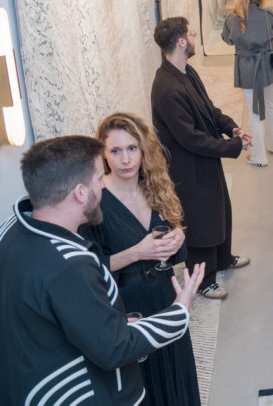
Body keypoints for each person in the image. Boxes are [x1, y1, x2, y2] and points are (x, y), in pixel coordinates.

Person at [0, 135, 204, 405]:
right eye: (99, 178)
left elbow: (53, 315)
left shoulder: (9, 230)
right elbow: (115, 348)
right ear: (80, 193)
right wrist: (179, 310)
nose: (103, 185)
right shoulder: (70, 265)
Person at [82, 113, 201, 406]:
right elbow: (89, 271)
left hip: (166, 299)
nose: (125, 159)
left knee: (177, 377)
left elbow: (174, 255)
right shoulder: (95, 202)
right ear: (103, 154)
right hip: (128, 311)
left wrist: (179, 237)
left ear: (143, 149)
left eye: (132, 148)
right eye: (115, 151)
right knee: (145, 386)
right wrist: (137, 252)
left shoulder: (155, 187)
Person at [151, 16, 251, 299]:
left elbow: (209, 109)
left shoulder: (186, 72)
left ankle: (223, 258)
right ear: (182, 41)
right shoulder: (166, 88)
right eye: (192, 34)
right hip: (188, 167)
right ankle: (204, 280)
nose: (195, 38)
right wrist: (232, 147)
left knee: (219, 209)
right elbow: (190, 138)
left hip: (205, 160)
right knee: (201, 221)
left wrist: (231, 127)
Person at [222, 0, 273, 167]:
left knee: (253, 111)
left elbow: (227, 39)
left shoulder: (232, 18)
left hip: (246, 67)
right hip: (267, 65)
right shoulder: (267, 15)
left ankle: (259, 156)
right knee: (271, 105)